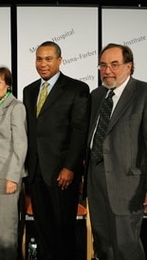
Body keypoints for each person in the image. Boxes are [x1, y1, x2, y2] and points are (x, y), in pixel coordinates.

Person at [22, 41, 90, 260]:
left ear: (60, 61)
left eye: (48, 59)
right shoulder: (29, 90)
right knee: (43, 230)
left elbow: (79, 131)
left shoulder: (77, 89)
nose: (43, 63)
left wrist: (70, 167)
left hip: (62, 173)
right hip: (36, 172)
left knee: (63, 231)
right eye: (39, 59)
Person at [86, 43, 147, 260]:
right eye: (103, 65)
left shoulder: (143, 93)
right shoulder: (96, 95)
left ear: (129, 66)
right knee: (103, 246)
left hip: (127, 185)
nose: (107, 70)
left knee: (126, 247)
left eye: (114, 64)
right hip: (96, 180)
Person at [0, 66, 27, 260]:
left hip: (7, 177)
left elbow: (20, 145)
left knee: (6, 231)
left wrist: (13, 177)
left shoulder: (16, 107)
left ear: (8, 85)